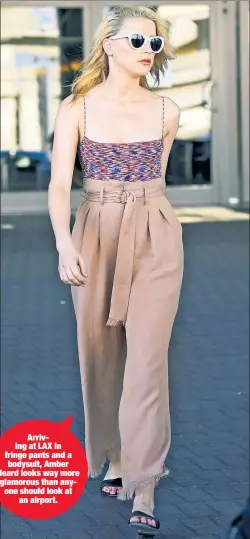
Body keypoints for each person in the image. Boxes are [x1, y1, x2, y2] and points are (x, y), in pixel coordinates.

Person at [48, 5, 184, 535]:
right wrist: (64, 244)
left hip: (153, 232)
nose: (148, 52)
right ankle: (116, 454)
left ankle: (144, 480)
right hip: (96, 228)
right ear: (108, 45)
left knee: (148, 358)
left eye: (154, 45)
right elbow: (61, 184)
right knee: (101, 352)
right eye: (137, 42)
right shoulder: (76, 108)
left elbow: (159, 180)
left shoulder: (167, 110)